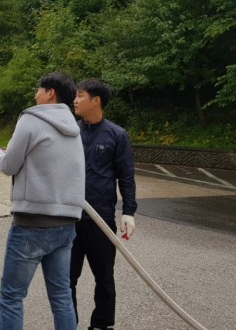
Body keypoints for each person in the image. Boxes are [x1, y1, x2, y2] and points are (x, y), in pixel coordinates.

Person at [0, 72, 86, 330]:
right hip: (65, 225)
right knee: (61, 296)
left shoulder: (31, 119)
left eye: (38, 89)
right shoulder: (72, 126)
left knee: (12, 297)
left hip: (30, 225)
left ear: (50, 93)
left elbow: (8, 165)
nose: (34, 93)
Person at [69, 79, 137, 330]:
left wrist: (129, 211)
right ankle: (68, 323)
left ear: (96, 100)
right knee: (66, 279)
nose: (75, 100)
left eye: (80, 96)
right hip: (69, 218)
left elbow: (126, 176)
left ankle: (102, 324)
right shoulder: (69, 131)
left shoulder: (117, 135)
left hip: (101, 219)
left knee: (105, 278)